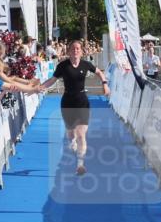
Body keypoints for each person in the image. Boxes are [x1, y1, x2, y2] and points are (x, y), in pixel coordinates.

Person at [38, 40, 110, 175]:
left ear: (81, 51)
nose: (76, 51)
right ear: (69, 51)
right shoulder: (62, 66)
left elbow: (99, 72)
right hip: (67, 101)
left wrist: (105, 84)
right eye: (73, 49)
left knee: (81, 134)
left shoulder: (86, 64)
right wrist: (40, 87)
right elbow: (52, 80)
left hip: (82, 101)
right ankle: (71, 141)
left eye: (78, 49)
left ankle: (80, 164)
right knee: (71, 133)